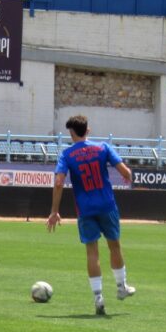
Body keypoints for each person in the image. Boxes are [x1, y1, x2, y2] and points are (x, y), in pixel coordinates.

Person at [46, 115, 135, 316]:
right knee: (114, 246)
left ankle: (98, 297)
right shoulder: (103, 147)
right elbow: (125, 171)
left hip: (85, 210)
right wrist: (127, 175)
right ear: (88, 130)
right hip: (107, 206)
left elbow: (59, 183)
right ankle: (121, 287)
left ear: (71, 133)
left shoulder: (67, 154)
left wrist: (54, 211)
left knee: (92, 252)